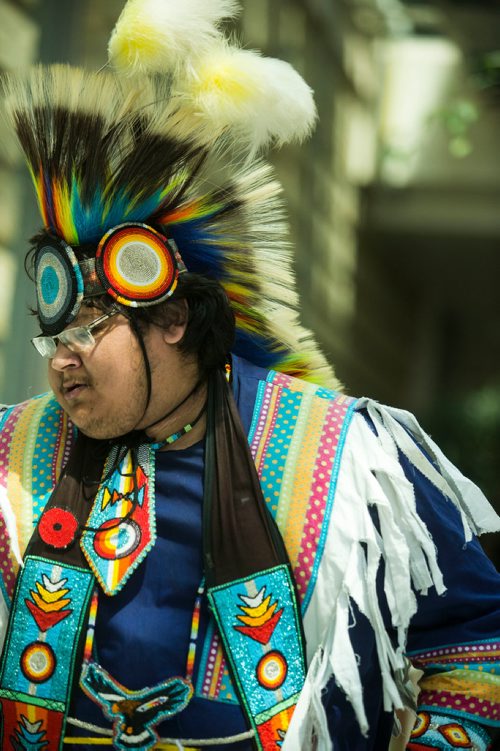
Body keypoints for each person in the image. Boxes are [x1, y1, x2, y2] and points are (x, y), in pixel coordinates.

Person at [0, 1, 499, 750]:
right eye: (52, 339)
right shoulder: (13, 449)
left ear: (172, 321)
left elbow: (476, 639)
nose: (62, 359)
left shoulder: (351, 459)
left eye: (85, 332)